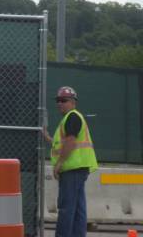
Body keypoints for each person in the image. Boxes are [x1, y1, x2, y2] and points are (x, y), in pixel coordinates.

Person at [43, 86, 98, 237]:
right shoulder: (71, 118)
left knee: (66, 208)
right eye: (58, 100)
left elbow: (71, 142)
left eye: (64, 100)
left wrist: (59, 164)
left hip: (72, 169)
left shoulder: (72, 117)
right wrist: (48, 138)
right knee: (78, 208)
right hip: (79, 168)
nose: (60, 103)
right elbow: (62, 142)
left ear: (73, 102)